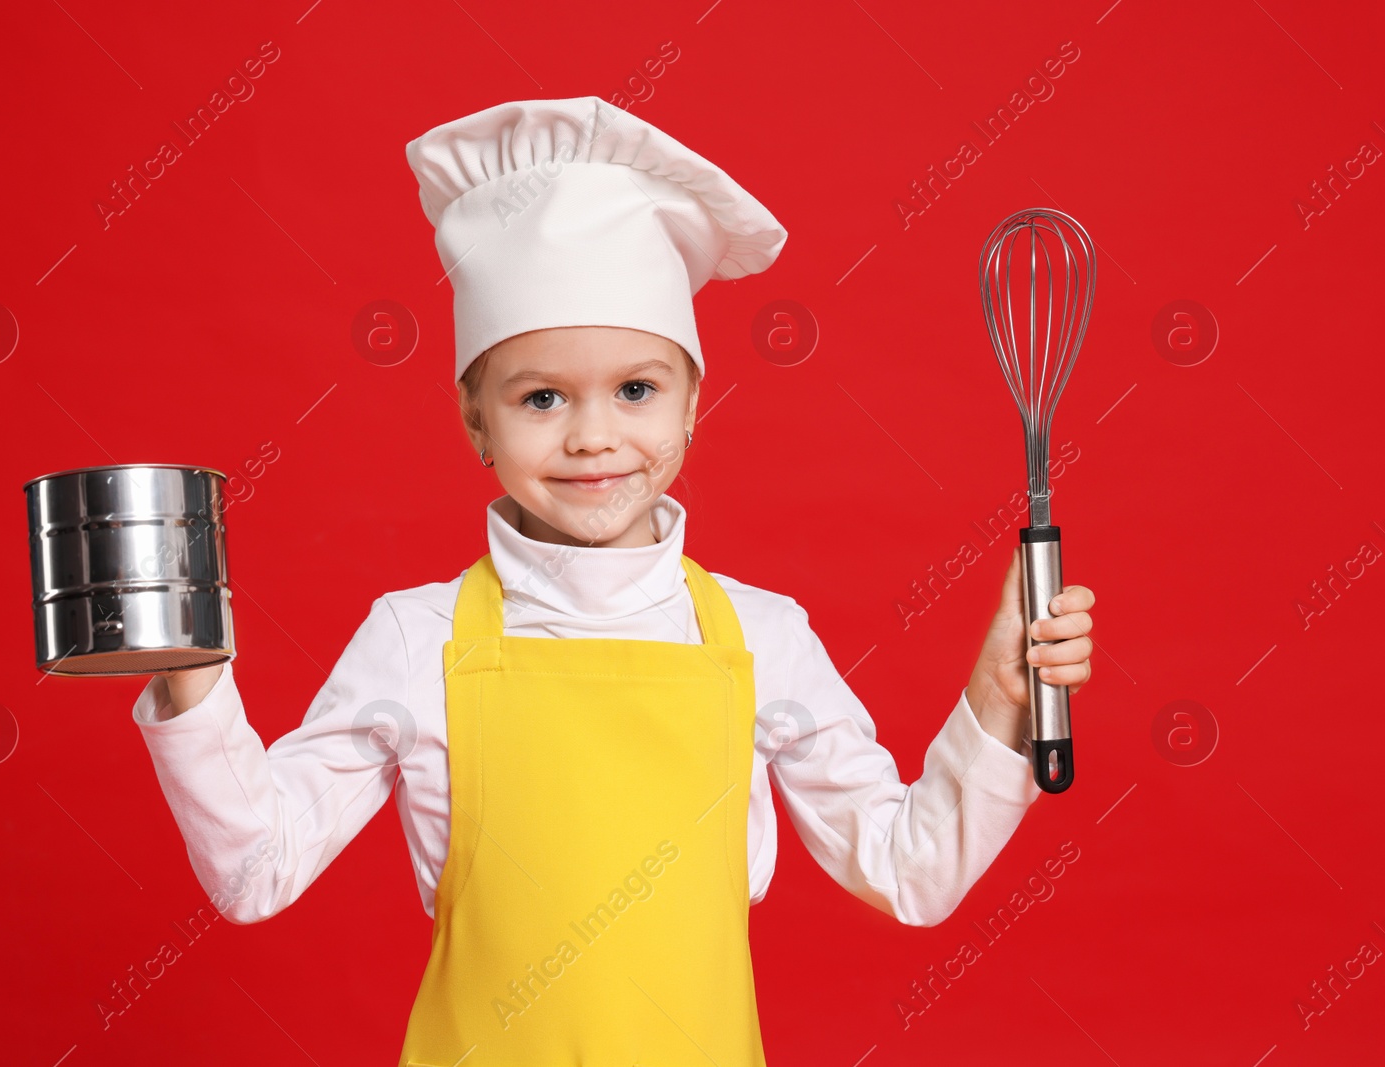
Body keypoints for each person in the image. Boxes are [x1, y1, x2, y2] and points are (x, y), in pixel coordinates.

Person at [133, 96, 1097, 1065]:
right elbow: (255, 870)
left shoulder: (762, 638)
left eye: (636, 389)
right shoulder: (414, 638)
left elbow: (912, 870)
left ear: (692, 404)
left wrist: (998, 693)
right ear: (476, 420)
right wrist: (186, 674)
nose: (593, 436)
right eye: (541, 396)